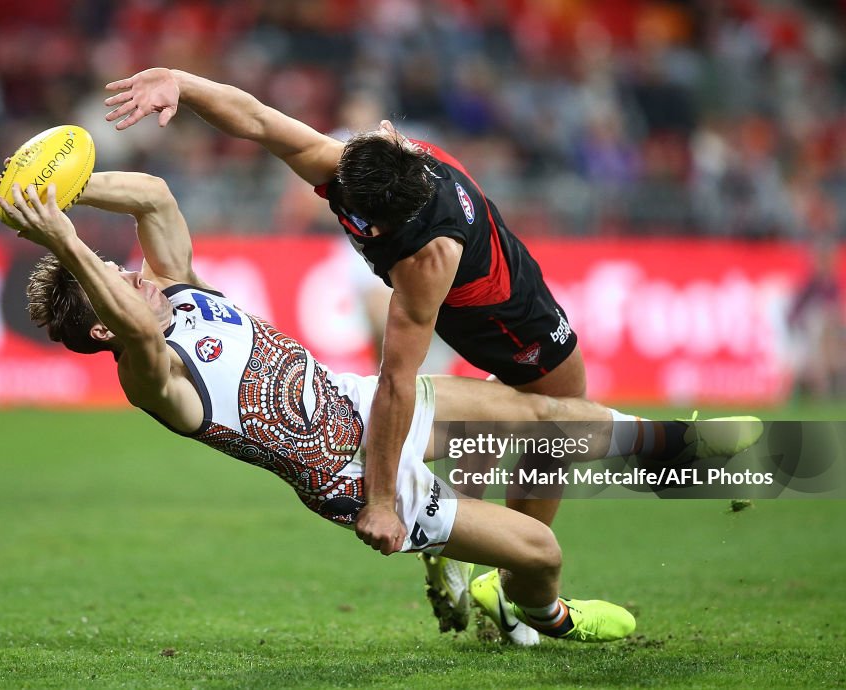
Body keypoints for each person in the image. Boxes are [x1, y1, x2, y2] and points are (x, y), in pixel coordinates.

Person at [98, 68, 753, 636]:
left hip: (508, 301)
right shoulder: (390, 209)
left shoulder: (408, 231)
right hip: (492, 316)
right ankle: (659, 473)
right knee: (551, 422)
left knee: (540, 424)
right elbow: (258, 119)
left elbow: (396, 383)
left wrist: (382, 500)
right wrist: (181, 82)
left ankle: (502, 559)